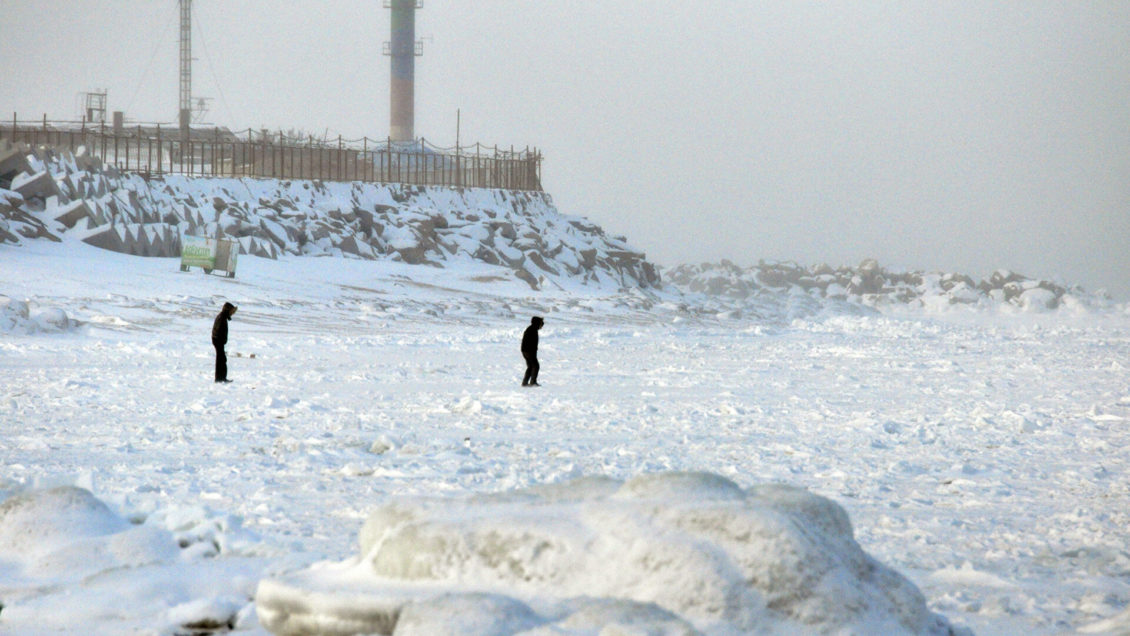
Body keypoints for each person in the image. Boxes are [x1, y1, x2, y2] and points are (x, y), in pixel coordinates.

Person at [212, 302, 237, 383]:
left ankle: (220, 378)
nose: (232, 313)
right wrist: (221, 340)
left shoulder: (222, 317)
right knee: (221, 360)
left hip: (218, 340)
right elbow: (219, 330)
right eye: (231, 311)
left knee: (221, 359)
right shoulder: (222, 317)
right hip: (218, 341)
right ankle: (220, 378)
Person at [521, 316, 544, 387]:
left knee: (531, 366)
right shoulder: (532, 330)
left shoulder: (531, 329)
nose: (542, 326)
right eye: (541, 324)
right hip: (529, 351)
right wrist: (532, 351)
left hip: (526, 351)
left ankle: (525, 383)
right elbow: (529, 342)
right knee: (535, 366)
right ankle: (533, 382)